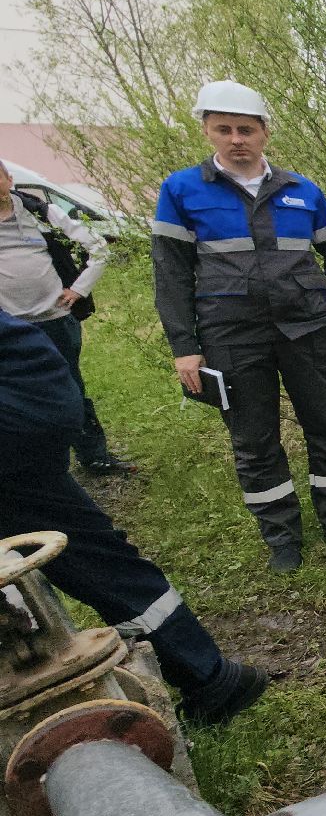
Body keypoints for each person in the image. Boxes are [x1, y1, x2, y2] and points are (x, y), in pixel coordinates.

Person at [1, 309, 267, 726]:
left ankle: (206, 675)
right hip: (28, 407)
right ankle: (206, 675)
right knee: (82, 554)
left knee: (86, 557)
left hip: (18, 416)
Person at [151, 81, 326, 573]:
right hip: (231, 337)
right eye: (223, 129)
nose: (236, 139)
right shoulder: (183, 189)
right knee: (254, 440)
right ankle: (282, 538)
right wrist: (185, 346)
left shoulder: (301, 190)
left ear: (264, 132)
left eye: (246, 129)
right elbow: (170, 273)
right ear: (207, 130)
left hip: (310, 330)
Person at [0, 160, 135, 475]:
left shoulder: (40, 213)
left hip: (55, 320)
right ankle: (35, 463)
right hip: (8, 328)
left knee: (70, 387)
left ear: (9, 179)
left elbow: (99, 248)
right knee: (15, 395)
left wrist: (79, 290)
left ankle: (94, 456)